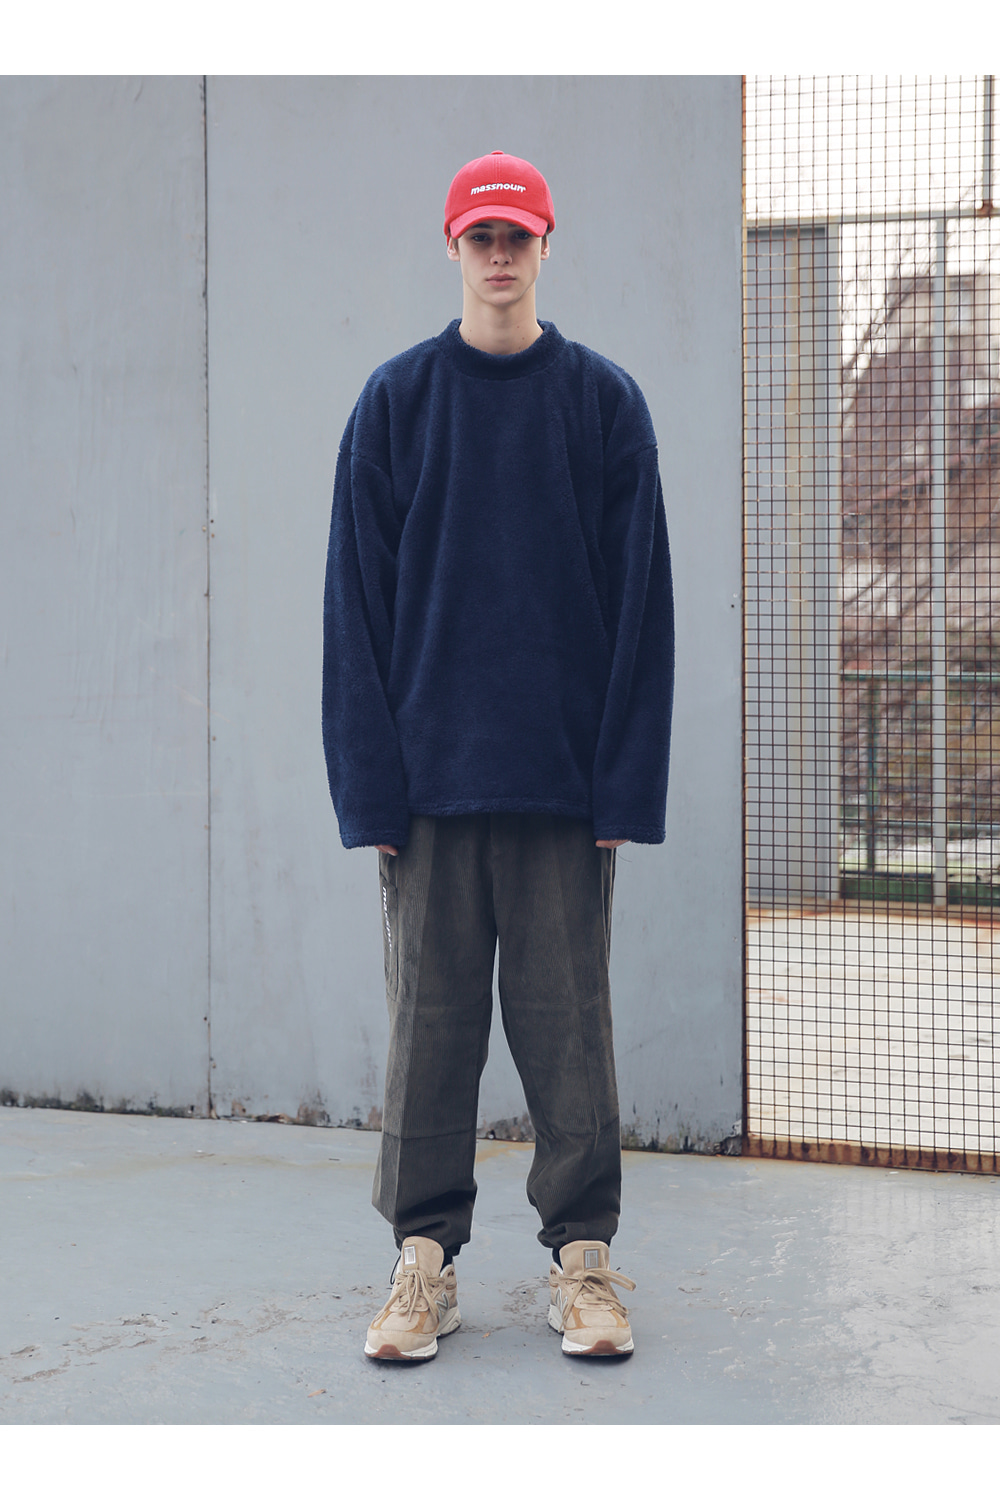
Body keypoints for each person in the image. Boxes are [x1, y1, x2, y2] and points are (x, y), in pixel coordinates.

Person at [322, 149, 673, 1361]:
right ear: (453, 247)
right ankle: (423, 1263)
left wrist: (623, 785)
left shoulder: (603, 405)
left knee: (571, 1035)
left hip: (563, 792)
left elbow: (641, 610)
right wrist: (369, 791)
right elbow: (354, 612)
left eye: (517, 236)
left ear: (544, 243)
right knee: (428, 1037)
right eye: (482, 237)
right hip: (428, 792)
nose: (500, 255)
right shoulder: (397, 403)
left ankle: (584, 1262)